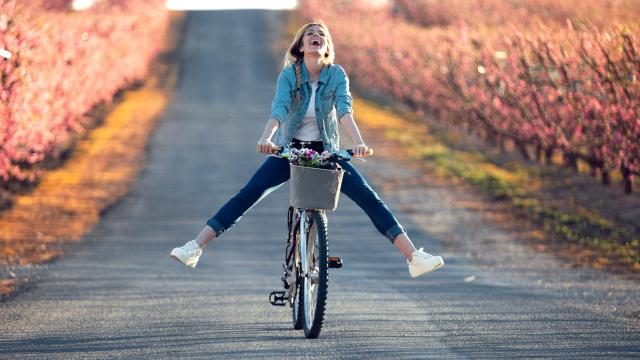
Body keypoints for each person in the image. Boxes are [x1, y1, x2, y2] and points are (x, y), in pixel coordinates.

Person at [170, 20, 444, 278]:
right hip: (292, 151)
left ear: (327, 47)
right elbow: (279, 109)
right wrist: (267, 138)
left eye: (322, 34)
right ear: (301, 45)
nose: (316, 36)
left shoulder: (336, 74)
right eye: (310, 33)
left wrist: (358, 143)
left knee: (369, 198)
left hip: (327, 152)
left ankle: (413, 257)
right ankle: (195, 247)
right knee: (248, 194)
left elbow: (344, 110)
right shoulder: (290, 75)